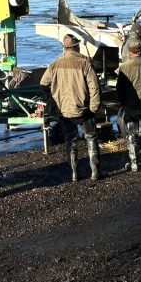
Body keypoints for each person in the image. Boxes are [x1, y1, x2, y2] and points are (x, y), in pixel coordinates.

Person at [40, 34, 102, 181]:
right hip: (83, 110)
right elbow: (95, 88)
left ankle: (74, 174)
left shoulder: (54, 64)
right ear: (76, 47)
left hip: (63, 110)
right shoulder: (84, 64)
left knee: (70, 140)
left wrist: (55, 98)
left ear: (65, 48)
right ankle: (95, 173)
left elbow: (43, 84)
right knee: (91, 138)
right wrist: (94, 107)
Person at [116, 40, 141, 172]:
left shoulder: (124, 67)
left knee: (131, 136)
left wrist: (122, 103)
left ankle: (134, 164)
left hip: (130, 105)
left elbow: (119, 90)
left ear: (129, 52)